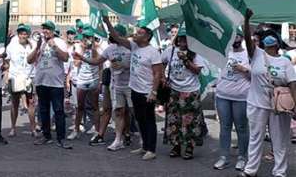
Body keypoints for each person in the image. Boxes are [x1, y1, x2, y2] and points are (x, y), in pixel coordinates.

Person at [240, 10, 296, 177]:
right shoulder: (256, 54)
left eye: (271, 37)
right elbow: (247, 39)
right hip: (257, 104)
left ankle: (279, 172)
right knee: (255, 139)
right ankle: (250, 170)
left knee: (279, 141)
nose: (268, 40)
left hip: (279, 108)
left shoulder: (285, 62)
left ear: (277, 43)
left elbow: (293, 84)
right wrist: (246, 20)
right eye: (266, 38)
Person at [103, 15, 163, 161]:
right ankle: (144, 146)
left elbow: (157, 74)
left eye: (140, 33)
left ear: (147, 37)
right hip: (135, 89)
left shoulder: (153, 52)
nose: (136, 34)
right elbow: (116, 37)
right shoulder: (134, 46)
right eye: (136, 32)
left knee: (149, 120)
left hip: (147, 91)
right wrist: (108, 22)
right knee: (140, 119)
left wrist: (154, 92)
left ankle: (151, 149)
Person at [74, 23, 132, 151]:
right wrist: (82, 58)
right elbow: (97, 61)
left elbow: (138, 66)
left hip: (130, 85)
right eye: (112, 34)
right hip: (113, 84)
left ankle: (128, 133)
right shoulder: (110, 48)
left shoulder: (131, 47)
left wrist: (124, 66)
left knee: (129, 111)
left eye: (115, 33)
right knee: (114, 110)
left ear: (121, 35)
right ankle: (113, 138)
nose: (112, 35)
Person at [160, 27, 204, 160]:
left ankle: (189, 148)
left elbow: (197, 71)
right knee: (174, 120)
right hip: (174, 90)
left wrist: (186, 60)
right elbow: (160, 64)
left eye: (185, 38)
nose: (182, 41)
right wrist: (163, 77)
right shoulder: (170, 51)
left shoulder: (196, 53)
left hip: (190, 91)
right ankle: (176, 146)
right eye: (180, 38)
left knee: (190, 121)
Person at [28, 20, 72, 149]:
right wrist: (37, 47)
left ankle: (61, 138)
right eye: (44, 29)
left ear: (53, 31)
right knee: (43, 111)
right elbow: (29, 60)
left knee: (58, 111)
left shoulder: (59, 42)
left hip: (56, 83)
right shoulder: (39, 43)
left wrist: (54, 47)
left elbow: (65, 58)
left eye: (48, 29)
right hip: (41, 82)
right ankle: (46, 136)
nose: (45, 31)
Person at [213, 28, 250, 171]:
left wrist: (244, 69)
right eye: (232, 37)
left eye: (237, 37)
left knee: (241, 128)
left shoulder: (248, 55)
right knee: (224, 127)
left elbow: (256, 76)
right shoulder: (223, 53)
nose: (235, 39)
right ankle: (224, 157)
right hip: (223, 96)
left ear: (242, 38)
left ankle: (242, 157)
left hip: (241, 97)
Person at [69, 28, 102, 142]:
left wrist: (92, 47)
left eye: (89, 37)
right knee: (80, 106)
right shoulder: (78, 47)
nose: (87, 39)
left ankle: (97, 131)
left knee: (95, 106)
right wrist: (82, 50)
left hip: (94, 80)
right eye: (85, 37)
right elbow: (76, 64)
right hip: (82, 80)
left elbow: (99, 63)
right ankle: (76, 130)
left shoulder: (97, 48)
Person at [5, 24, 36, 137]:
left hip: (28, 77)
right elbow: (7, 61)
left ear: (28, 35)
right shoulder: (12, 46)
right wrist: (8, 73)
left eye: (25, 33)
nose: (23, 35)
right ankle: (13, 128)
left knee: (31, 103)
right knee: (14, 103)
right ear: (18, 34)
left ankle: (33, 129)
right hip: (15, 77)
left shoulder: (32, 45)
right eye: (21, 33)